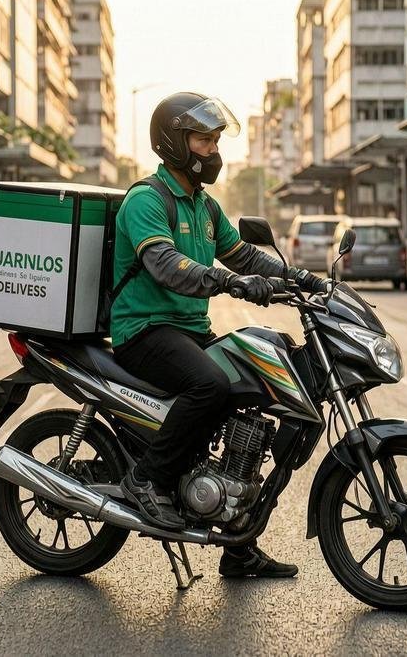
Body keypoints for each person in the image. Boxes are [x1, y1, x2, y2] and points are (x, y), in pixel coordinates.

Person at [111, 92, 327, 578]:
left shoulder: (205, 208)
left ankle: (237, 545)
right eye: (203, 140)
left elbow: (245, 257)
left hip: (188, 329)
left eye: (214, 140)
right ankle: (146, 480)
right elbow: (165, 266)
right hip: (144, 329)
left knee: (251, 387)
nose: (212, 150)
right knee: (209, 384)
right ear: (175, 143)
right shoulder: (147, 200)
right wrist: (228, 283)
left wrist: (300, 277)